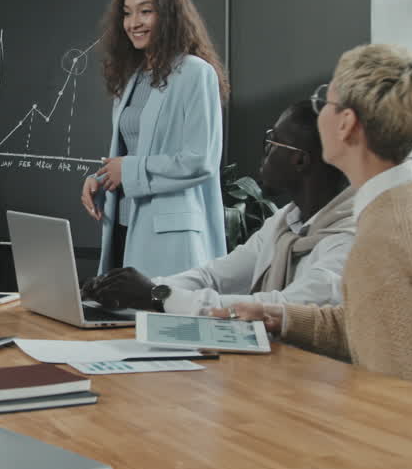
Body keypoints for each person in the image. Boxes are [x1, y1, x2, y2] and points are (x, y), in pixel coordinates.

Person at [212, 44, 412, 413]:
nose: (318, 115)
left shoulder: (387, 237)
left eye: (325, 104)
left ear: (346, 124)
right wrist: (284, 318)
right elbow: (388, 323)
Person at [81, 99, 355, 314]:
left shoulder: (349, 242)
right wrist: (127, 289)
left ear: (300, 161)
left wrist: (157, 296)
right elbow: (215, 277)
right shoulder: (286, 222)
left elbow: (278, 308)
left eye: (271, 142)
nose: (264, 154)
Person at [80, 0, 228, 278]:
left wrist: (128, 170)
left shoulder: (195, 73)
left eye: (146, 11)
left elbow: (201, 160)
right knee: (119, 322)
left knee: (157, 321)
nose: (134, 23)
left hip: (168, 236)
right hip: (122, 224)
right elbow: (137, 147)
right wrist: (102, 177)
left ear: (170, 15)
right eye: (127, 13)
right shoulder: (132, 77)